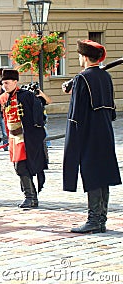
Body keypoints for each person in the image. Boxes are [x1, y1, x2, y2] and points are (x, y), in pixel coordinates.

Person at [63, 40, 121, 233]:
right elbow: (112, 112)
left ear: (85, 57)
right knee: (102, 175)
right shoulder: (106, 77)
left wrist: (73, 139)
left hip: (88, 134)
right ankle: (101, 219)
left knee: (93, 175)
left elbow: (76, 113)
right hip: (105, 132)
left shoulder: (82, 79)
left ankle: (94, 220)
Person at [0, 69, 50, 208]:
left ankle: (30, 197)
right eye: (3, 83)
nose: (5, 86)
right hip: (13, 138)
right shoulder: (2, 98)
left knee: (21, 167)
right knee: (20, 167)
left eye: (7, 83)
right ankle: (31, 198)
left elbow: (38, 111)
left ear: (15, 82)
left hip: (25, 137)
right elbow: (5, 118)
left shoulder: (26, 96)